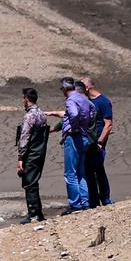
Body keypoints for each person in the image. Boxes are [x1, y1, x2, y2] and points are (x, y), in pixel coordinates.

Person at [46, 77, 95, 214]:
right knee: (80, 172)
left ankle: (75, 204)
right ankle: (84, 203)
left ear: (65, 88)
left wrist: (74, 127)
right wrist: (84, 124)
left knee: (70, 173)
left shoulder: (71, 100)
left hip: (74, 137)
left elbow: (74, 113)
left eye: (61, 89)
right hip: (84, 136)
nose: (62, 91)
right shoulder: (83, 98)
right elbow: (92, 110)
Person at [15, 87, 49, 223]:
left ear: (26, 99)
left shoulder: (30, 116)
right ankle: (37, 212)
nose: (22, 101)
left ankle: (33, 214)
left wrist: (20, 157)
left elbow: (24, 138)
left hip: (31, 153)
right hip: (40, 152)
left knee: (29, 182)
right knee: (34, 181)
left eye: (23, 98)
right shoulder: (41, 114)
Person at [80, 74, 114, 207]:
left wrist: (100, 142)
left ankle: (104, 199)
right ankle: (95, 200)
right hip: (89, 142)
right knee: (92, 170)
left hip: (98, 142)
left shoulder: (103, 102)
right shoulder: (88, 101)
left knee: (96, 168)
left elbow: (108, 124)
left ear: (87, 87)